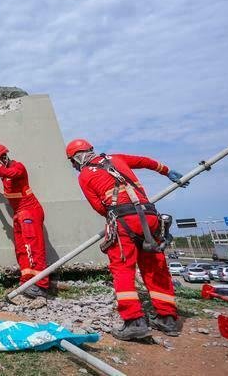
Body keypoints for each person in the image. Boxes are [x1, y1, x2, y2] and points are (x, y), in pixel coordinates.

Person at [65, 138, 184, 341]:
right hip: (150, 217)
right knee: (156, 268)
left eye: (73, 163)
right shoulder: (117, 158)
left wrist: (117, 215)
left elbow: (99, 207)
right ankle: (168, 318)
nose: (75, 167)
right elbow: (146, 161)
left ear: (77, 158)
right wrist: (166, 171)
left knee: (123, 269)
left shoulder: (85, 176)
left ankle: (134, 321)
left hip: (122, 221)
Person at [0, 143, 50, 298]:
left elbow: (8, 173)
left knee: (34, 248)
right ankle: (27, 281)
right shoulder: (3, 170)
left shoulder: (17, 168)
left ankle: (41, 285)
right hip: (19, 214)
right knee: (22, 250)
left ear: (3, 157)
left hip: (30, 212)